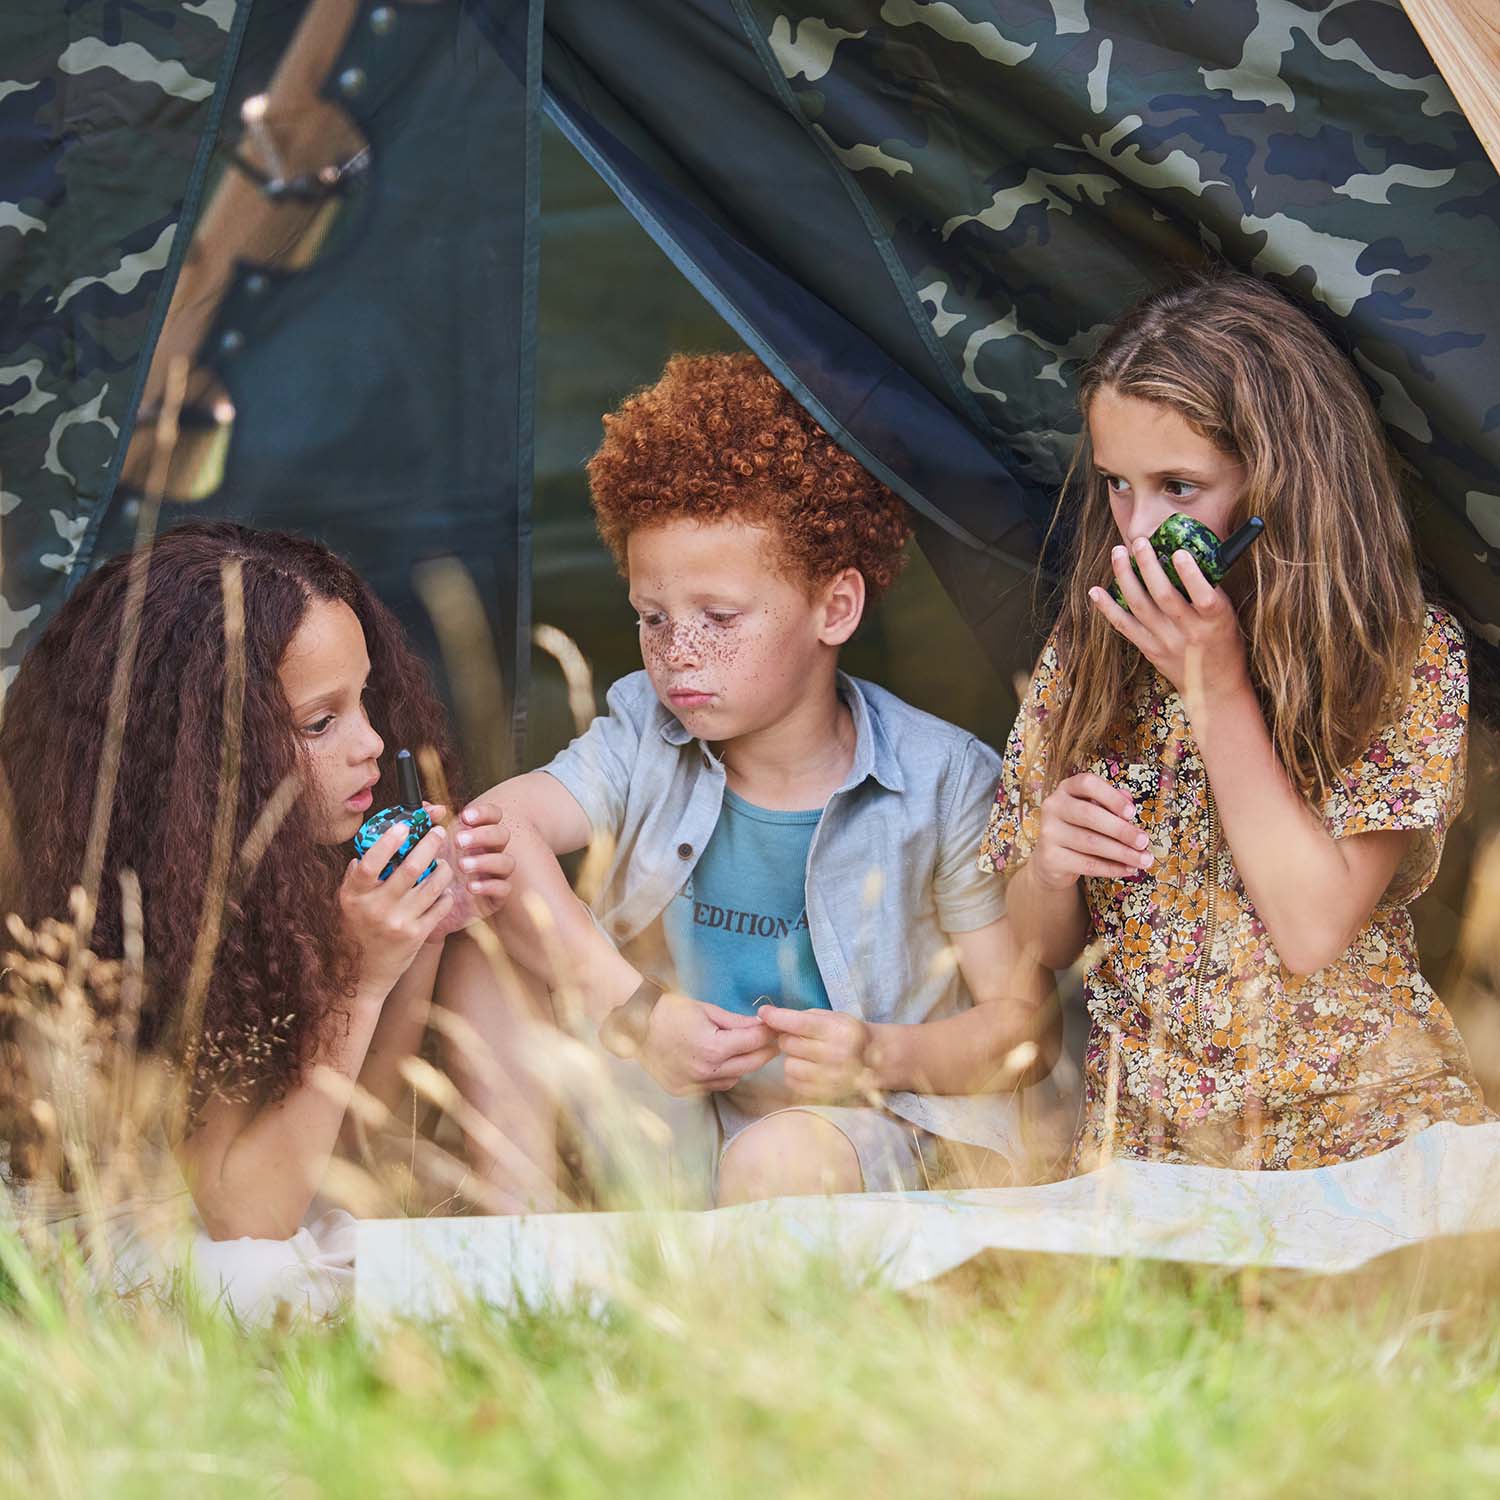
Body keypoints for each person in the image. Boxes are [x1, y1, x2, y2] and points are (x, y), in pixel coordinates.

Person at [464, 352, 1058, 1210]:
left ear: (836, 609)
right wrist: (637, 1013)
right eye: (653, 618)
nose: (679, 654)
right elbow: (490, 831)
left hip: (866, 1125)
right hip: (685, 1113)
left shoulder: (943, 780)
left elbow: (1023, 1032)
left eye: (720, 618)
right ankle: (505, 1252)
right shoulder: (644, 729)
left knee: (776, 1164)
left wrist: (876, 1054)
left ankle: (694, 1283)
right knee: (482, 952)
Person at [981, 271, 1489, 1170]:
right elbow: (1046, 945)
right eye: (1118, 487)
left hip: (1359, 1128)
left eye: (1180, 486)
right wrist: (1051, 865)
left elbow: (1310, 929)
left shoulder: (1401, 655)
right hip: (1145, 1150)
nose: (1138, 532)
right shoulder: (1090, 649)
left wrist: (1216, 689)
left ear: (1281, 482)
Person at [0, 522, 515, 1277]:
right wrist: (365, 976)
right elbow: (247, 1221)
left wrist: (421, 935)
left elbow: (354, 1151)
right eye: (319, 721)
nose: (371, 741)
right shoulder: (157, 914)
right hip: (93, 1259)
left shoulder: (285, 875)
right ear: (207, 751)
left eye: (363, 698)